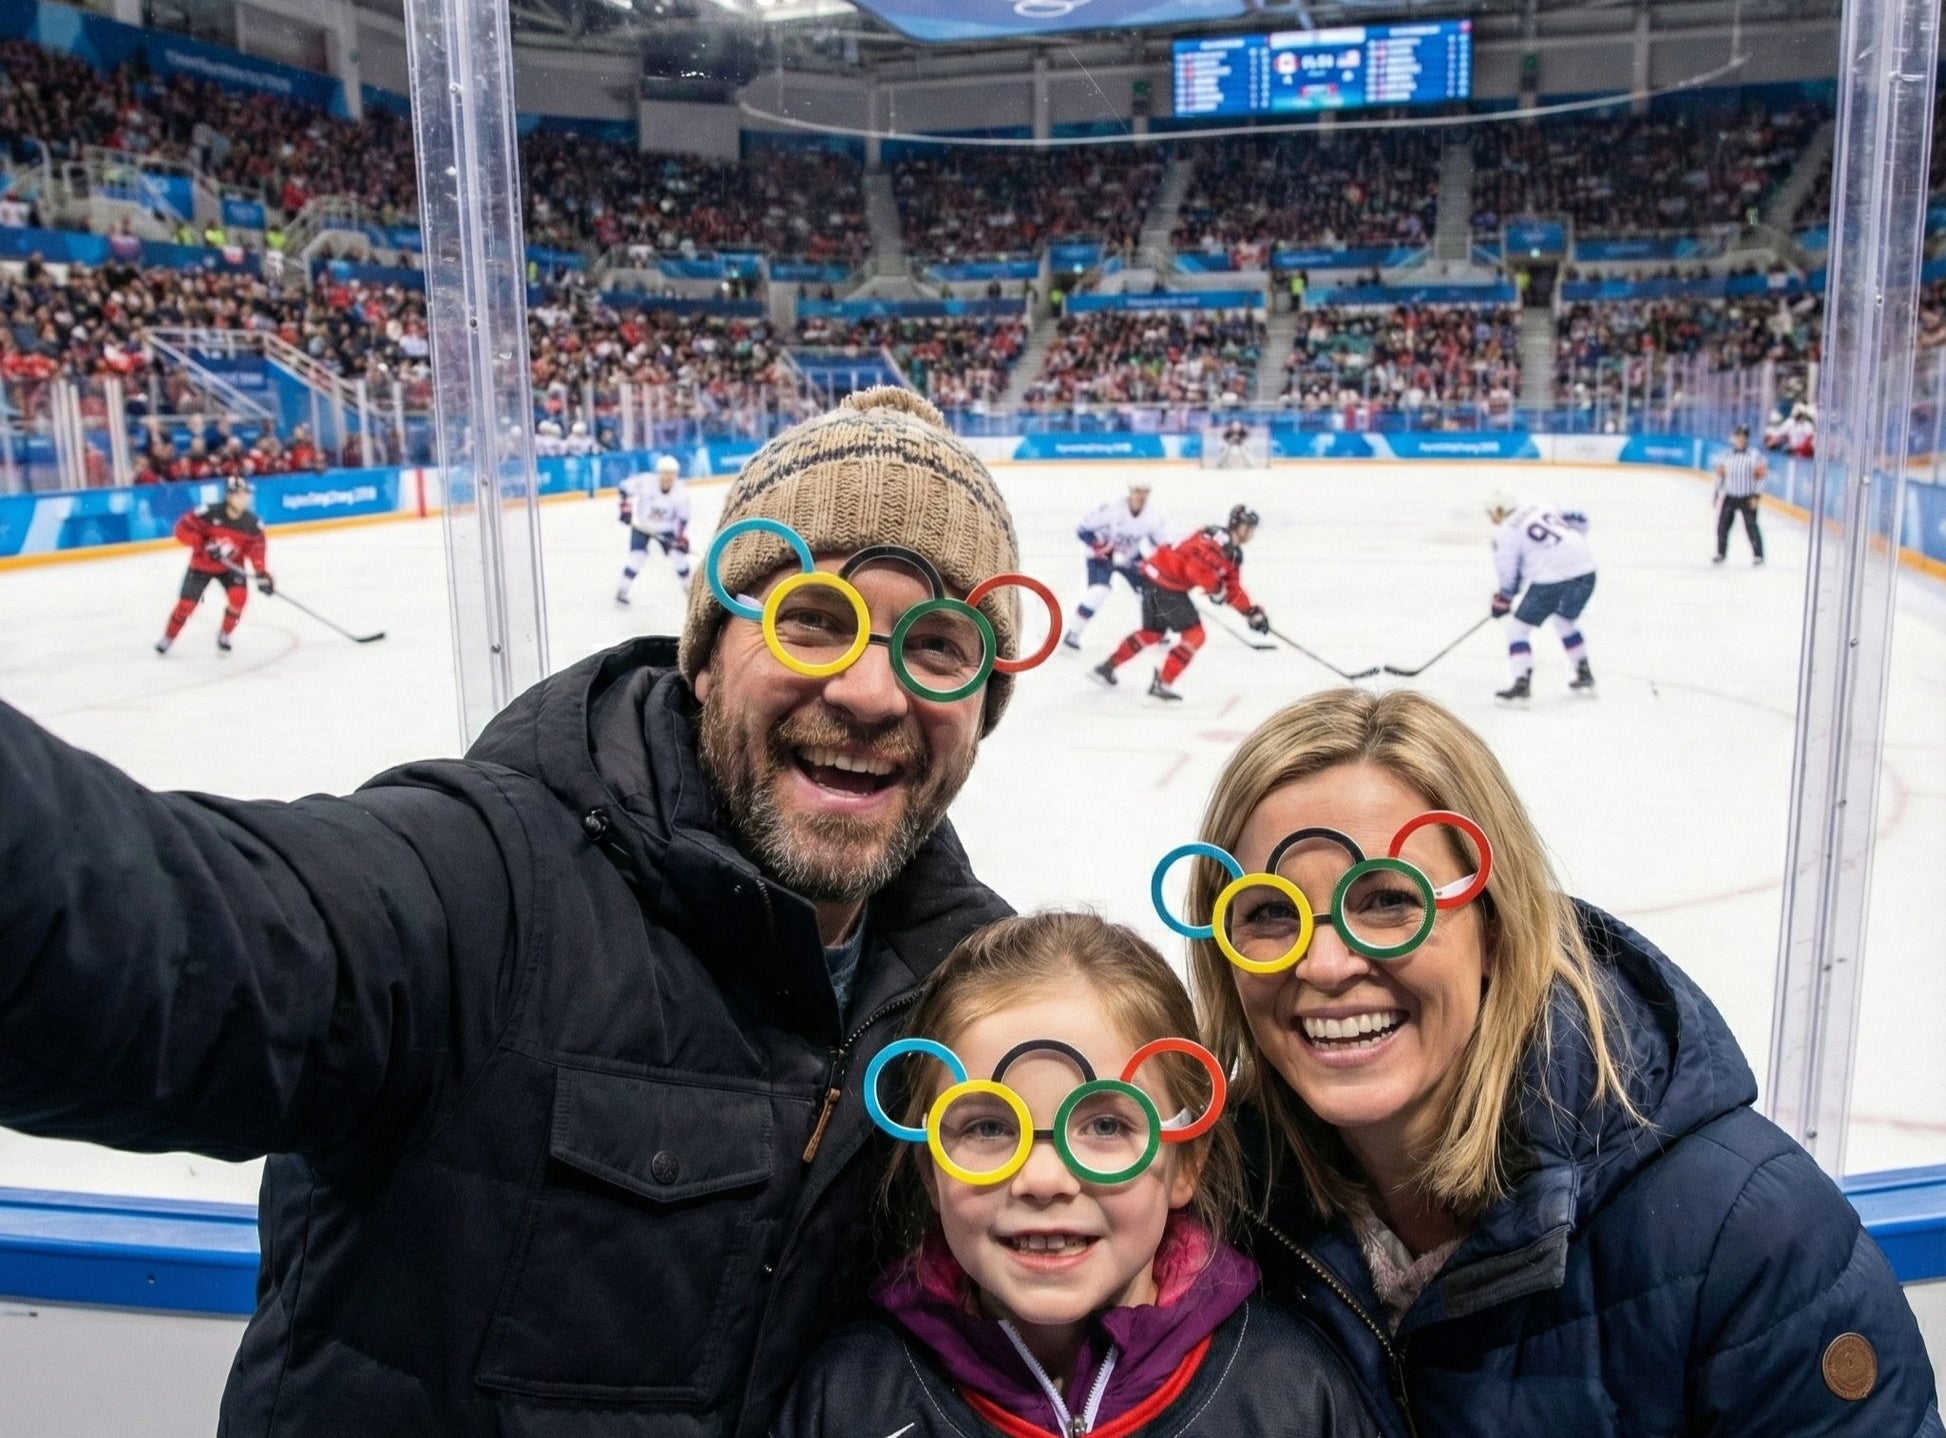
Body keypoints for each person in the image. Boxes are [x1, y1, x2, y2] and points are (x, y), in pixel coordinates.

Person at [0, 388, 1028, 1436]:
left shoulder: (983, 994)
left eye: (939, 647)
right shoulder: (479, 883)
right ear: (708, 657)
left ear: (980, 709)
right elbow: (163, 935)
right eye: (812, 619)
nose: (868, 690)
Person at [1176, 688, 1943, 1437]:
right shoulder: (1218, 1211)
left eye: (1388, 900)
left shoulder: (1748, 1234)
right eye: (1272, 912)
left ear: (1498, 929)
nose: (1328, 963)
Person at [775, 911, 1379, 1438]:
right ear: (931, 1167)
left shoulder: (1292, 1393)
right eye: (988, 1128)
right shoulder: (850, 1399)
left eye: (1106, 1127)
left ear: (1186, 1163)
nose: (1043, 1180)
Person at [1092, 506, 1269, 704]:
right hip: (1167, 584)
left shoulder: (1229, 549)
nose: (1251, 532)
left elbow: (1232, 587)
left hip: (1152, 577)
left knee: (1152, 633)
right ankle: (1163, 683)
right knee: (1195, 634)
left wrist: (1251, 612)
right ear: (1236, 525)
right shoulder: (1219, 544)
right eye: (1248, 527)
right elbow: (1195, 569)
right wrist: (1216, 589)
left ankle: (1107, 667)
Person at [1484, 489, 1594, 702]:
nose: (1492, 519)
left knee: (1517, 631)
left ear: (1499, 510)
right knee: (1564, 621)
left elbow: (1508, 573)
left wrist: (1503, 599)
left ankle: (1521, 683)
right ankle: (1584, 672)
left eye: (1492, 513)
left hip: (1553, 580)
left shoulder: (1506, 531)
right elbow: (1580, 519)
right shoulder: (1541, 505)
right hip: (1587, 570)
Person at [155, 474, 273, 655]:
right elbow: (181, 530)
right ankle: (168, 637)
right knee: (186, 605)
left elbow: (257, 550)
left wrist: (262, 574)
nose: (246, 498)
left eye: (247, 494)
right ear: (229, 496)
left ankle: (225, 634)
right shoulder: (207, 512)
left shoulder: (253, 523)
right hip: (201, 566)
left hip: (231, 567)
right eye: (241, 494)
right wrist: (203, 545)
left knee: (239, 599)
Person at [1062, 479, 1165, 651]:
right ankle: (1073, 634)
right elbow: (1082, 530)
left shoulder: (1153, 517)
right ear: (1130, 491)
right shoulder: (1111, 510)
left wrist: (1155, 564)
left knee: (1150, 590)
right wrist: (1098, 545)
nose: (1141, 496)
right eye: (1138, 491)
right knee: (1099, 591)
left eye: (1145, 492)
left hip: (1130, 558)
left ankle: (1156, 632)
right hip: (1100, 558)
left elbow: (1162, 546)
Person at [615, 453, 692, 604]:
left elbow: (682, 519)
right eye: (665, 473)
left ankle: (689, 588)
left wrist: (680, 537)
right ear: (659, 473)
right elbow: (624, 489)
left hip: (666, 529)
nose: (668, 478)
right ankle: (622, 589)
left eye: (671, 475)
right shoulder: (645, 481)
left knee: (678, 556)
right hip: (643, 526)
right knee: (637, 556)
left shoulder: (681, 493)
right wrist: (625, 508)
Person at [1713, 424, 1769, 566]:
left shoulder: (1755, 455)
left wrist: (1756, 495)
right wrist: (1716, 491)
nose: (1740, 440)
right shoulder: (1726, 455)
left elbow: (1762, 476)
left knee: (1751, 526)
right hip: (1730, 495)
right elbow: (1720, 475)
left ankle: (1758, 555)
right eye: (1738, 437)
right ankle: (1721, 553)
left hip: (1747, 496)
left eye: (1743, 437)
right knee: (1722, 526)